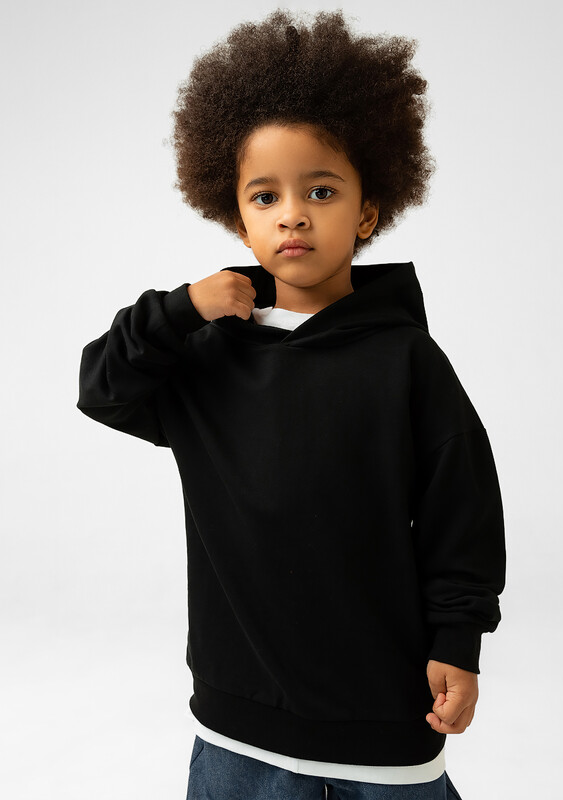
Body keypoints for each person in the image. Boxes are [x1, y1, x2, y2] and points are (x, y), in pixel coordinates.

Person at [76, 9, 506, 800]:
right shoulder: (208, 355)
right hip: (237, 724)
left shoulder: (406, 361)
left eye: (320, 190)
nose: (293, 213)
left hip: (381, 719)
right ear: (239, 219)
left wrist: (459, 639)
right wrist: (179, 310)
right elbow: (103, 387)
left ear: (367, 211)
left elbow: (462, 511)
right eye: (265, 195)